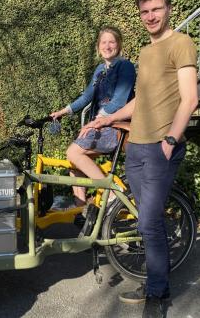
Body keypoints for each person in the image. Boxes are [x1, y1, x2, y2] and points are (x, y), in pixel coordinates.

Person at [82, 0, 198, 318]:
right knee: (144, 219)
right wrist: (108, 119)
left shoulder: (181, 44)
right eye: (145, 11)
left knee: (148, 220)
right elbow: (140, 101)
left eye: (156, 9)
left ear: (168, 8)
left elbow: (190, 98)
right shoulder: (145, 53)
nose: (150, 16)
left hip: (162, 147)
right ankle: (153, 281)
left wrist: (171, 139)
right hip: (136, 146)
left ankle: (158, 293)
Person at [51, 26, 136, 207]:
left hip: (116, 126)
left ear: (119, 45)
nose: (107, 46)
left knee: (73, 152)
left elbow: (120, 102)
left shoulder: (125, 66)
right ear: (98, 47)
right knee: (73, 162)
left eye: (111, 42)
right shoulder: (100, 70)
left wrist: (96, 121)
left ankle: (113, 193)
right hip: (100, 124)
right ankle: (81, 208)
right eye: (103, 42)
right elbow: (87, 97)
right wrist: (63, 111)